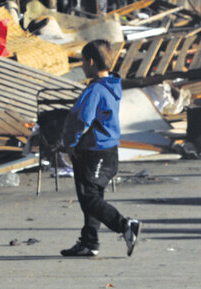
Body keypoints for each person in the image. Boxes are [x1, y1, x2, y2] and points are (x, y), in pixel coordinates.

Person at [60, 39, 141, 257]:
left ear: (92, 61)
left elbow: (82, 119)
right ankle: (89, 242)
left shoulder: (96, 89)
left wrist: (70, 144)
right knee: (94, 197)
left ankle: (125, 225)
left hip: (94, 150)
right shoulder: (112, 85)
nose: (82, 66)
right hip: (108, 150)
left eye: (83, 62)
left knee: (89, 198)